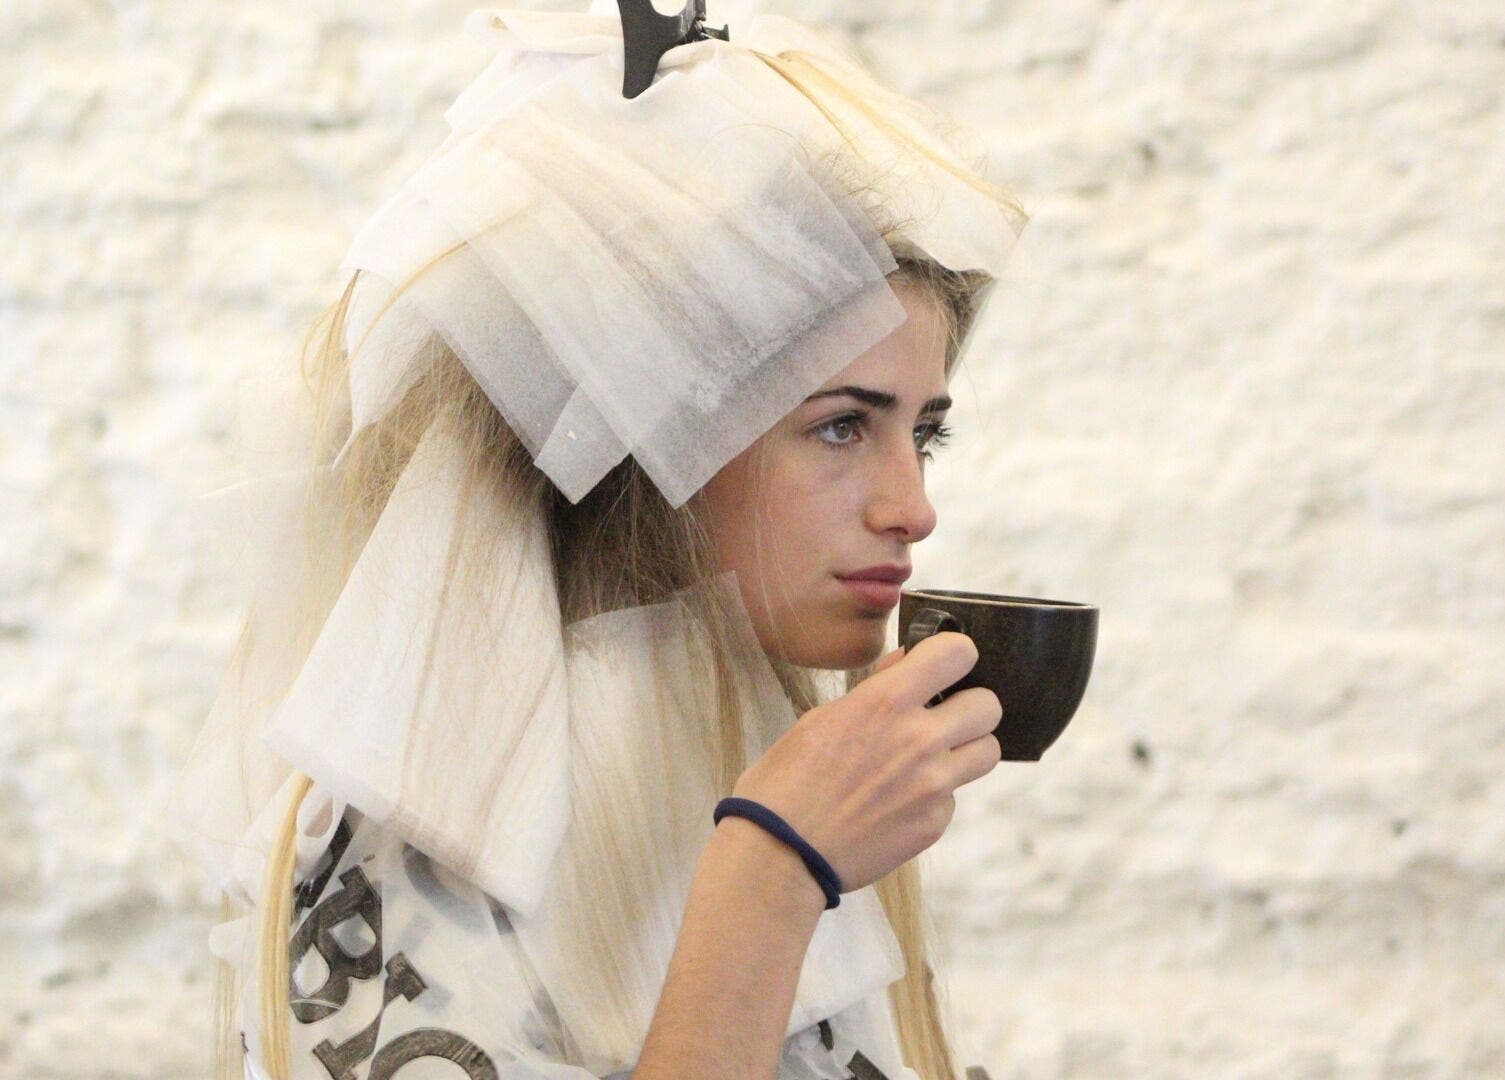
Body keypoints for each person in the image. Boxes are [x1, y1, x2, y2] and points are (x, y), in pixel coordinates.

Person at [168, 3, 1027, 1078]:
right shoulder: (422, 815)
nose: (912, 508)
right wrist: (768, 875)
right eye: (842, 426)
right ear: (652, 438)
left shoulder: (749, 744)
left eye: (924, 435)